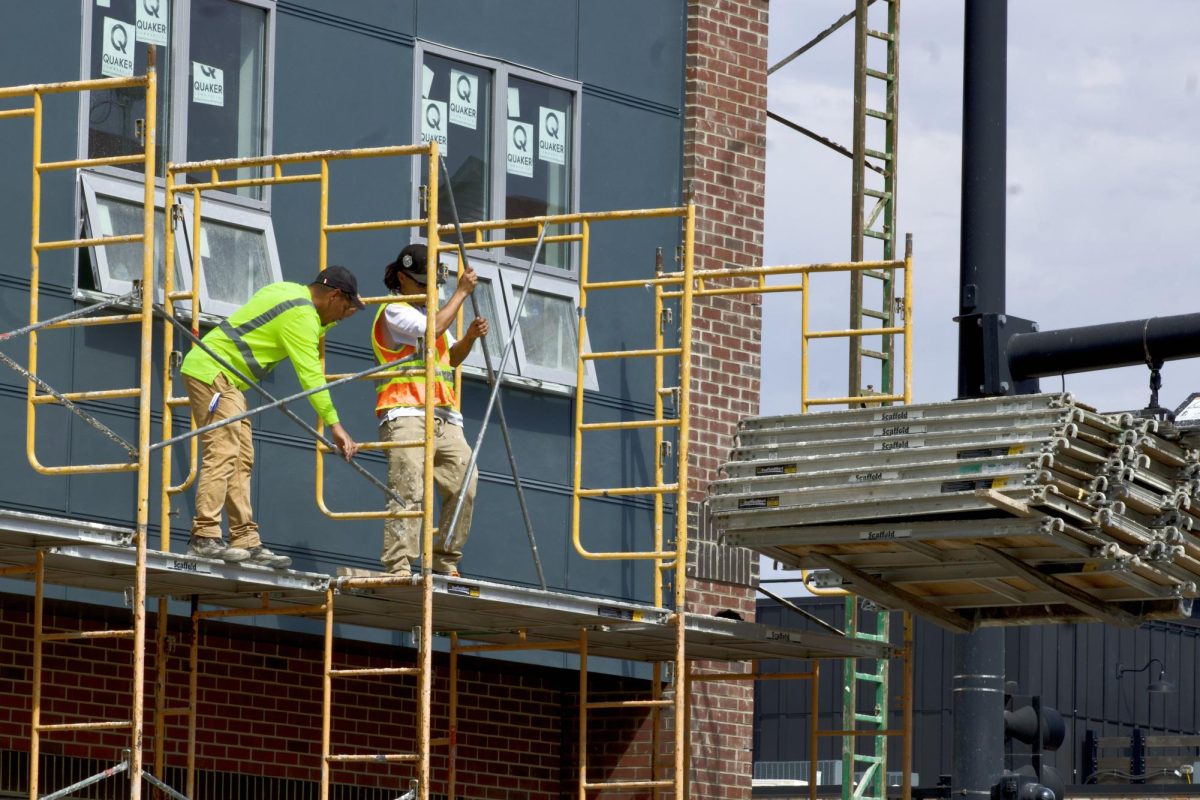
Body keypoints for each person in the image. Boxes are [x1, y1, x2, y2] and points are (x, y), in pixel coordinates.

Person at [181, 266, 365, 568]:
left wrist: (335, 320)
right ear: (333, 295)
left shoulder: (288, 291)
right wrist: (335, 425)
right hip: (213, 373)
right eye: (344, 308)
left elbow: (308, 326)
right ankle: (204, 536)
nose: (343, 316)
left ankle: (245, 539)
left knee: (241, 457)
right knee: (224, 451)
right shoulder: (301, 316)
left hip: (224, 378)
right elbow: (311, 377)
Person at [371, 243, 488, 578]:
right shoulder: (395, 310)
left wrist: (468, 338)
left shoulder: (433, 314)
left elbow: (451, 356)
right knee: (408, 488)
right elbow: (431, 331)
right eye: (421, 284)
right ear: (401, 279)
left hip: (444, 417)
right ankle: (398, 563)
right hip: (405, 413)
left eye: (431, 284)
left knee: (465, 478)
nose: (427, 290)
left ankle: (444, 556)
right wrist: (462, 293)